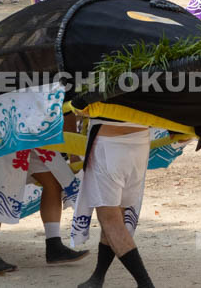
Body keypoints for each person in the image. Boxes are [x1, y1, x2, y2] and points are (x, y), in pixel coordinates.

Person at [71, 114, 156, 288]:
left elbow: (79, 106)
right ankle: (98, 276)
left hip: (108, 142)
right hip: (140, 142)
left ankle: (145, 284)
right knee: (117, 215)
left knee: (110, 219)